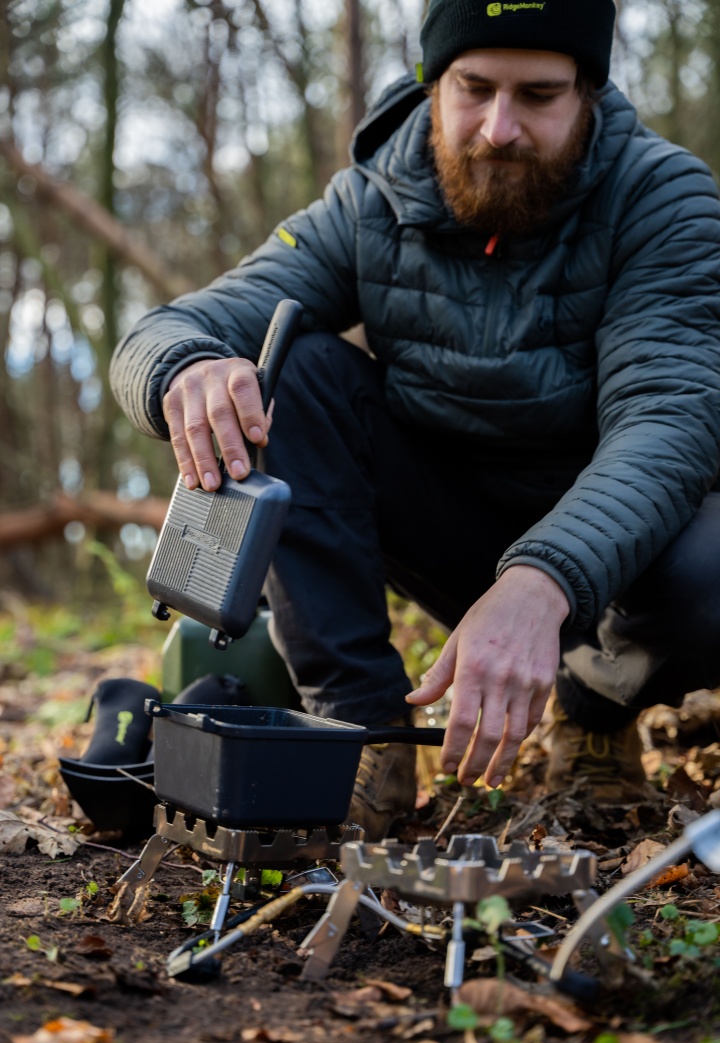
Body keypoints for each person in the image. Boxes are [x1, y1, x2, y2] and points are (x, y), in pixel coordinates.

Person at [111, 0, 720, 840]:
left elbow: (668, 423)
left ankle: (594, 713)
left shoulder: (665, 198)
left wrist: (541, 581)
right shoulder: (370, 200)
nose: (499, 128)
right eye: (474, 88)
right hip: (449, 529)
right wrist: (186, 370)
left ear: (588, 93)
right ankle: (361, 734)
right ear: (435, 84)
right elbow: (168, 328)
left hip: (622, 566)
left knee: (713, 567)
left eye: (538, 96)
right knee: (296, 367)